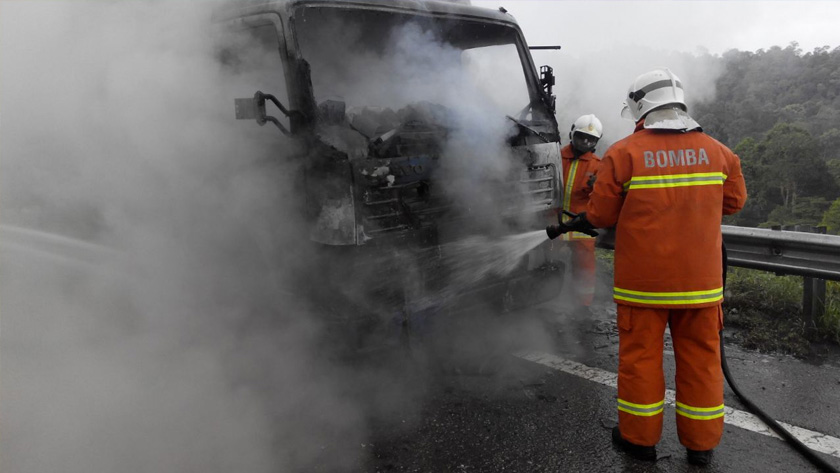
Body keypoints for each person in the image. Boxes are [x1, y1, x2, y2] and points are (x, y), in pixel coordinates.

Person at [549, 68, 747, 466]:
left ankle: (640, 442)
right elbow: (733, 203)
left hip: (644, 287)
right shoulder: (720, 153)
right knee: (701, 363)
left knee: (640, 362)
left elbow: (602, 214)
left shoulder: (623, 153)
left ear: (640, 106)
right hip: (701, 287)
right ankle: (701, 447)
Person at [559, 114, 603, 313]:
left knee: (584, 266)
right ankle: (549, 296)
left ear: (596, 142)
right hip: (556, 222)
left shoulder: (598, 165)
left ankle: (583, 304)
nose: (585, 141)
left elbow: (604, 197)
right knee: (549, 262)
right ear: (572, 134)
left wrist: (597, 188)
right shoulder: (557, 156)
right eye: (581, 136)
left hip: (581, 225)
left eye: (591, 139)